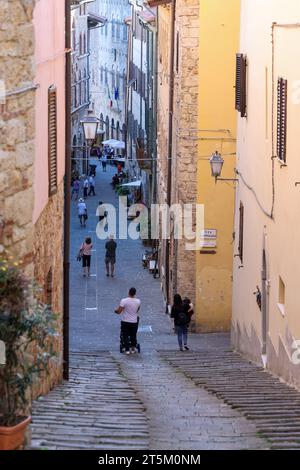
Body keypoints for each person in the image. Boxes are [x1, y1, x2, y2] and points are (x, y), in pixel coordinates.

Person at [115, 287, 141, 355]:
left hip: (125, 321)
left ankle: (127, 349)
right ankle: (133, 348)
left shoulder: (124, 301)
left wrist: (115, 310)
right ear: (135, 293)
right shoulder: (138, 301)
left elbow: (119, 311)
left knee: (125, 335)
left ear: (129, 292)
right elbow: (137, 310)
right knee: (133, 335)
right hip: (134, 321)